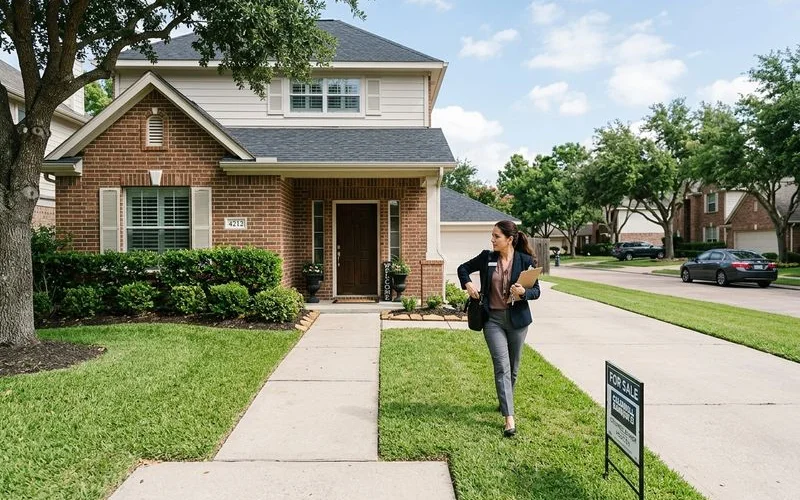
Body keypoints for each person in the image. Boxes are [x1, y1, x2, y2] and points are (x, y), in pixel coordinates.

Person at [457, 220, 541, 438]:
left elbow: (536, 292)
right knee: (502, 367)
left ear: (509, 239)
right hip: (492, 320)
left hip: (518, 321)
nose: (492, 240)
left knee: (513, 368)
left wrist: (524, 292)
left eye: (496, 236)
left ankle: (505, 400)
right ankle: (509, 418)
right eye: (492, 236)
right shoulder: (487, 257)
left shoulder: (525, 261)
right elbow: (463, 268)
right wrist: (467, 284)